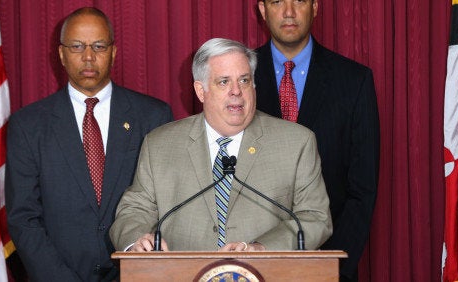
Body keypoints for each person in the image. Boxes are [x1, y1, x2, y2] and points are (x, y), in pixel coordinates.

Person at [110, 38, 332, 252]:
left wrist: (262, 249)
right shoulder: (159, 145)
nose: (236, 91)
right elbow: (133, 211)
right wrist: (137, 240)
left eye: (244, 80)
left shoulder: (297, 143)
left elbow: (315, 218)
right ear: (200, 91)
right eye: (224, 82)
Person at [5, 7, 173, 281]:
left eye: (98, 46)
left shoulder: (153, 116)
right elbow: (24, 219)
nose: (88, 57)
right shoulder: (28, 125)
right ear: (60, 54)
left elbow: (165, 203)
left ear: (114, 52)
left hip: (135, 274)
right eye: (76, 46)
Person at [255, 0, 380, 281]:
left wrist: (334, 264)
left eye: (299, 0)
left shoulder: (354, 81)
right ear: (262, 9)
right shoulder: (238, 79)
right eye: (277, 1)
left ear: (314, 7)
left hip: (328, 260)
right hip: (252, 259)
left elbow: (362, 189)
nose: (288, 12)